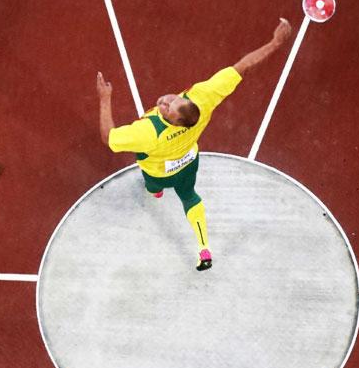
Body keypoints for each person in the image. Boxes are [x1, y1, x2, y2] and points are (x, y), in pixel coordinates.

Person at [97, 18, 292, 271]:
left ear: (176, 122)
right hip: (189, 163)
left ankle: (156, 193)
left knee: (152, 187)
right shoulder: (203, 99)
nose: (164, 101)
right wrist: (275, 42)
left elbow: (109, 138)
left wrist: (105, 99)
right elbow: (242, 67)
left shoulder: (148, 132)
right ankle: (203, 248)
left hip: (159, 172)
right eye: (172, 99)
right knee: (189, 197)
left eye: (168, 108)